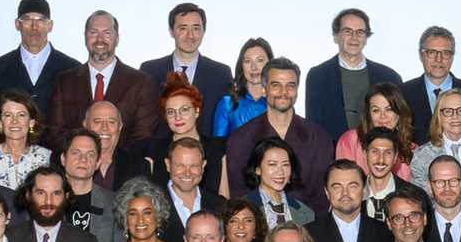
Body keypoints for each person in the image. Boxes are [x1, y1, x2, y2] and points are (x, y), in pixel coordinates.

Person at [226, 57, 334, 213]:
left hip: (307, 229)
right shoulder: (240, 139)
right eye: (276, 85)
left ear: (297, 90)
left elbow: (322, 198)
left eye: (291, 86)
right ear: (264, 89)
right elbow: (239, 196)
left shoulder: (319, 138)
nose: (284, 92)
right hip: (258, 229)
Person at [46, 10, 160, 151]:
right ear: (85, 37)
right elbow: (55, 133)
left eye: (107, 33)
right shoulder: (64, 82)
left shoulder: (141, 83)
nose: (100, 39)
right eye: (94, 32)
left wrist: (109, 164)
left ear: (117, 38)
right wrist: (80, 158)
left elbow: (143, 135)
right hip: (74, 169)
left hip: (122, 170)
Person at [306, 7, 403, 145]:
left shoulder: (390, 77)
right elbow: (313, 126)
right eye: (347, 31)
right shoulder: (318, 76)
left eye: (360, 32)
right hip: (334, 158)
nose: (354, 37)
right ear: (336, 36)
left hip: (381, 157)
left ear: (366, 38)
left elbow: (400, 125)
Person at [139, 2, 233, 140]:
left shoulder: (221, 73)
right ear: (171, 31)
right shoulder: (149, 71)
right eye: (183, 28)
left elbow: (224, 121)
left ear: (203, 31)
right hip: (160, 154)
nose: (190, 35)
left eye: (196, 28)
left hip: (206, 155)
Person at [0, 0, 80, 117]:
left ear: (50, 26)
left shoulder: (72, 68)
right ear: (17, 24)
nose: (34, 27)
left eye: (40, 20)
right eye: (27, 19)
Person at [400, 25, 461, 147]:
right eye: (432, 52)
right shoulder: (403, 93)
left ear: (452, 57)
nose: (438, 59)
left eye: (445, 53)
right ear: (421, 55)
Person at [146, 79, 228, 200]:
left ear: (197, 111)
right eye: (170, 112)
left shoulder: (217, 148)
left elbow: (224, 197)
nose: (177, 117)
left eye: (184, 110)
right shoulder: (153, 149)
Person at [334, 84, 415, 181]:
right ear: (368, 114)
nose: (383, 116)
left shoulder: (413, 150)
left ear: (399, 113)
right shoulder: (350, 141)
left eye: (389, 110)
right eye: (376, 110)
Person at [158, 137, 228, 242]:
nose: (187, 173)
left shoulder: (219, 204)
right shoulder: (152, 204)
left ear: (203, 166)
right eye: (180, 166)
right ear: (168, 165)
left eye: (193, 166)